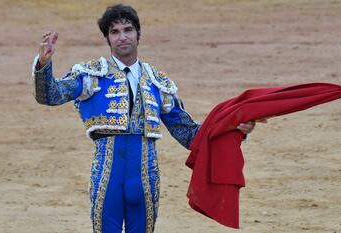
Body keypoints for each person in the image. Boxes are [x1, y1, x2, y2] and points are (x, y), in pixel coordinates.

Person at [31, 4, 256, 233]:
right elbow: (50, 95)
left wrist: (234, 128)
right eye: (114, 32)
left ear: (139, 34)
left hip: (145, 176)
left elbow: (189, 134)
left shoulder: (157, 82)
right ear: (108, 39)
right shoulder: (91, 75)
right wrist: (44, 64)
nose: (122, 37)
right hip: (107, 174)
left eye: (128, 29)